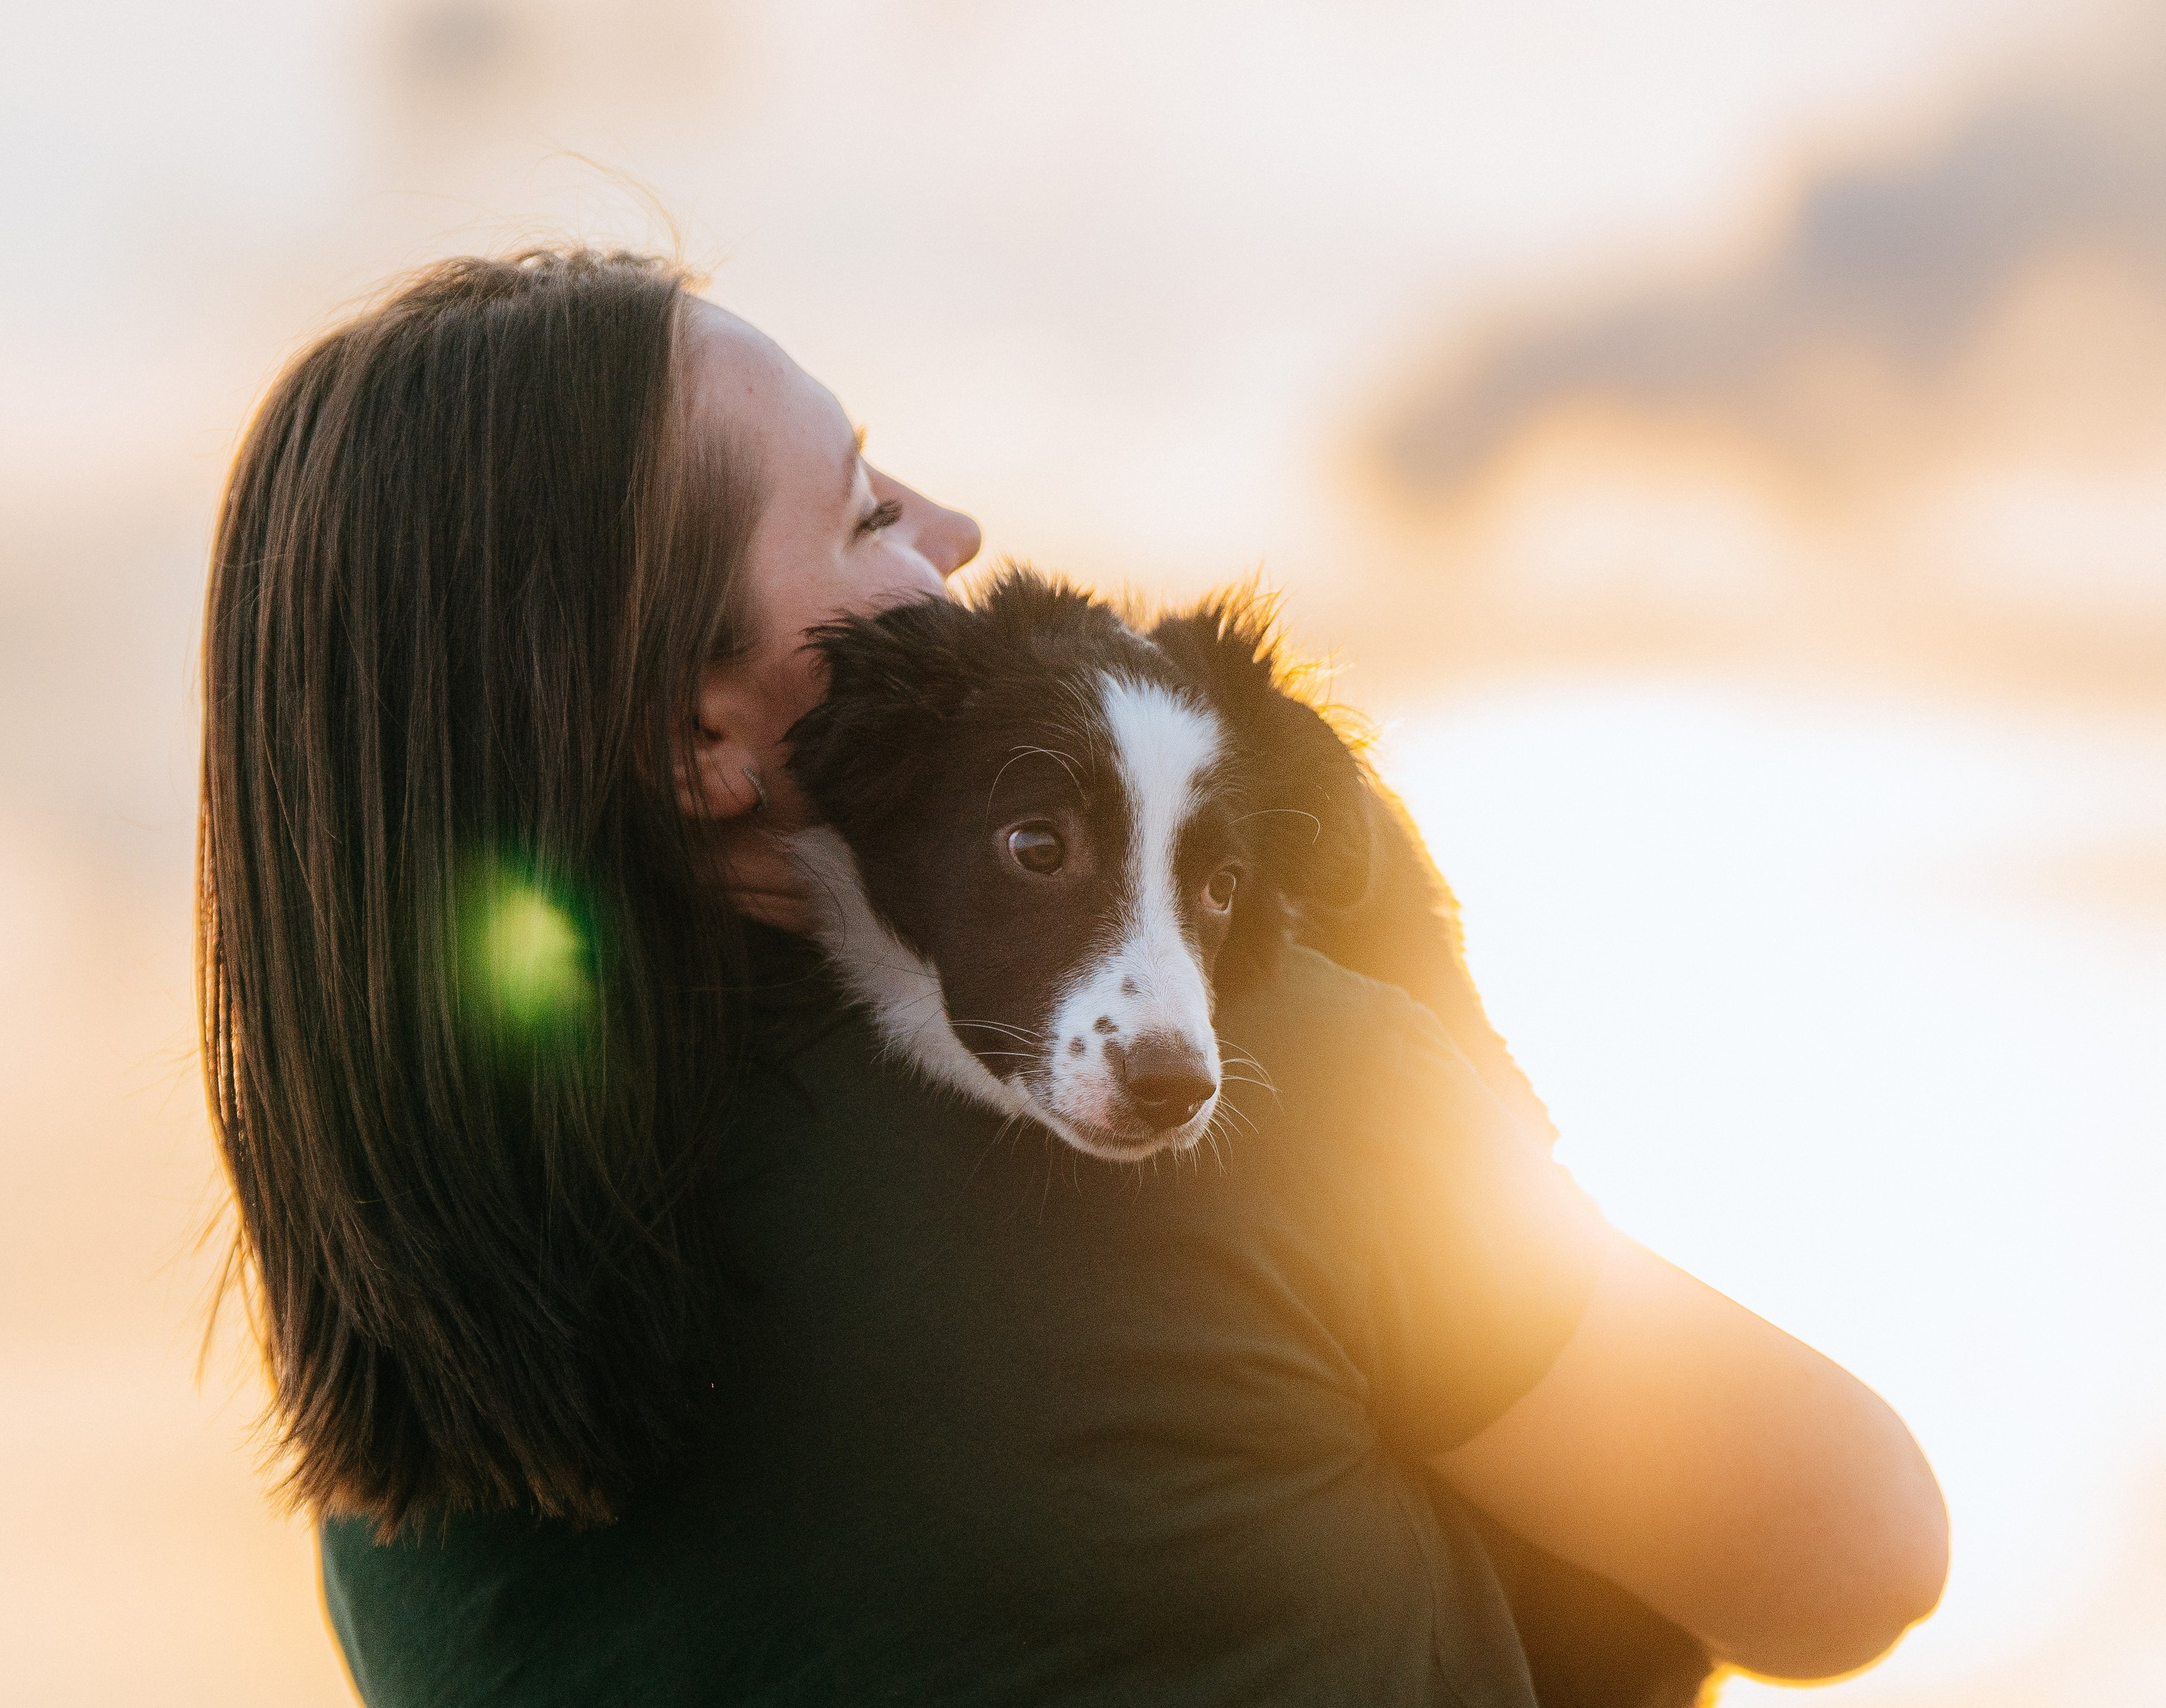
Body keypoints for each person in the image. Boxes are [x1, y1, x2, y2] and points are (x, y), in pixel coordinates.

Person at [200, 248, 1947, 1707]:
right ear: (694, 737)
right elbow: (1860, 1556)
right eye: (867, 511)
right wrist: (1399, 972)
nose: (957, 533)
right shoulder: (1251, 1092)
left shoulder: (398, 1392)